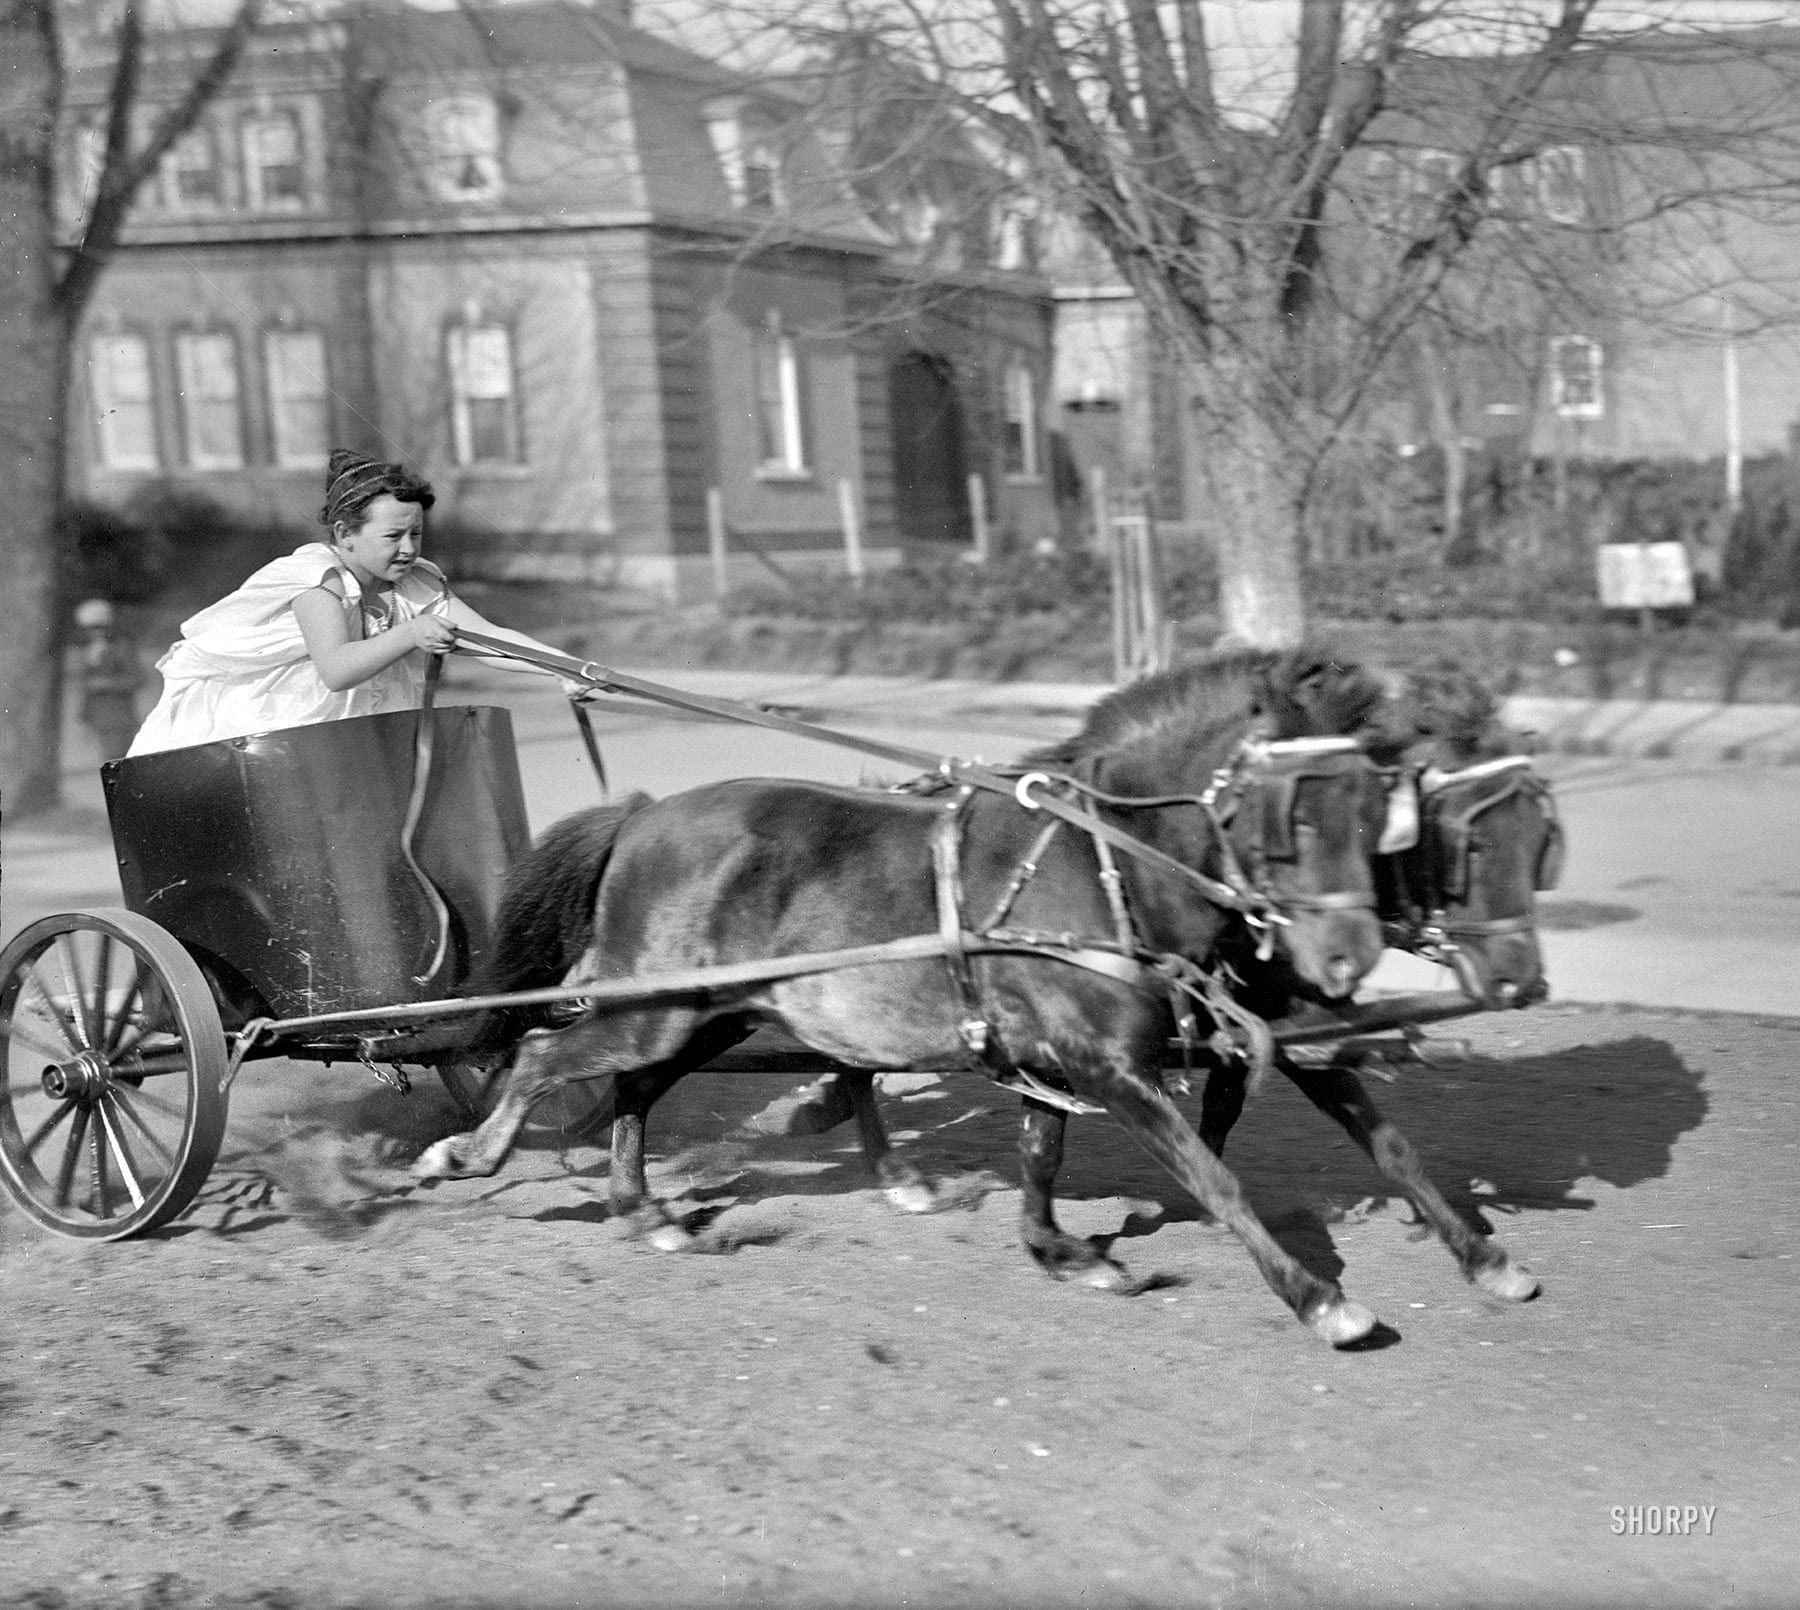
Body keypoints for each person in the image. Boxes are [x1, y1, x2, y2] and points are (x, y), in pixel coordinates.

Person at [128, 449, 580, 756]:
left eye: (416, 534)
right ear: (345, 534)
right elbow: (337, 670)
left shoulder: (412, 583)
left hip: (330, 739)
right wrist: (410, 633)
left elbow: (490, 639)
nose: (407, 549)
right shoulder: (317, 579)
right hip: (249, 732)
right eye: (392, 537)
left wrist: (568, 669)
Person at [73, 598, 147, 763]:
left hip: (119, 718)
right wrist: (84, 718)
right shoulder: (89, 650)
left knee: (118, 763)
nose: (95, 633)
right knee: (109, 764)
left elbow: (137, 679)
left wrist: (106, 683)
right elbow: (86, 688)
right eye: (90, 629)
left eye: (100, 627)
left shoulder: (122, 646)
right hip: (99, 719)